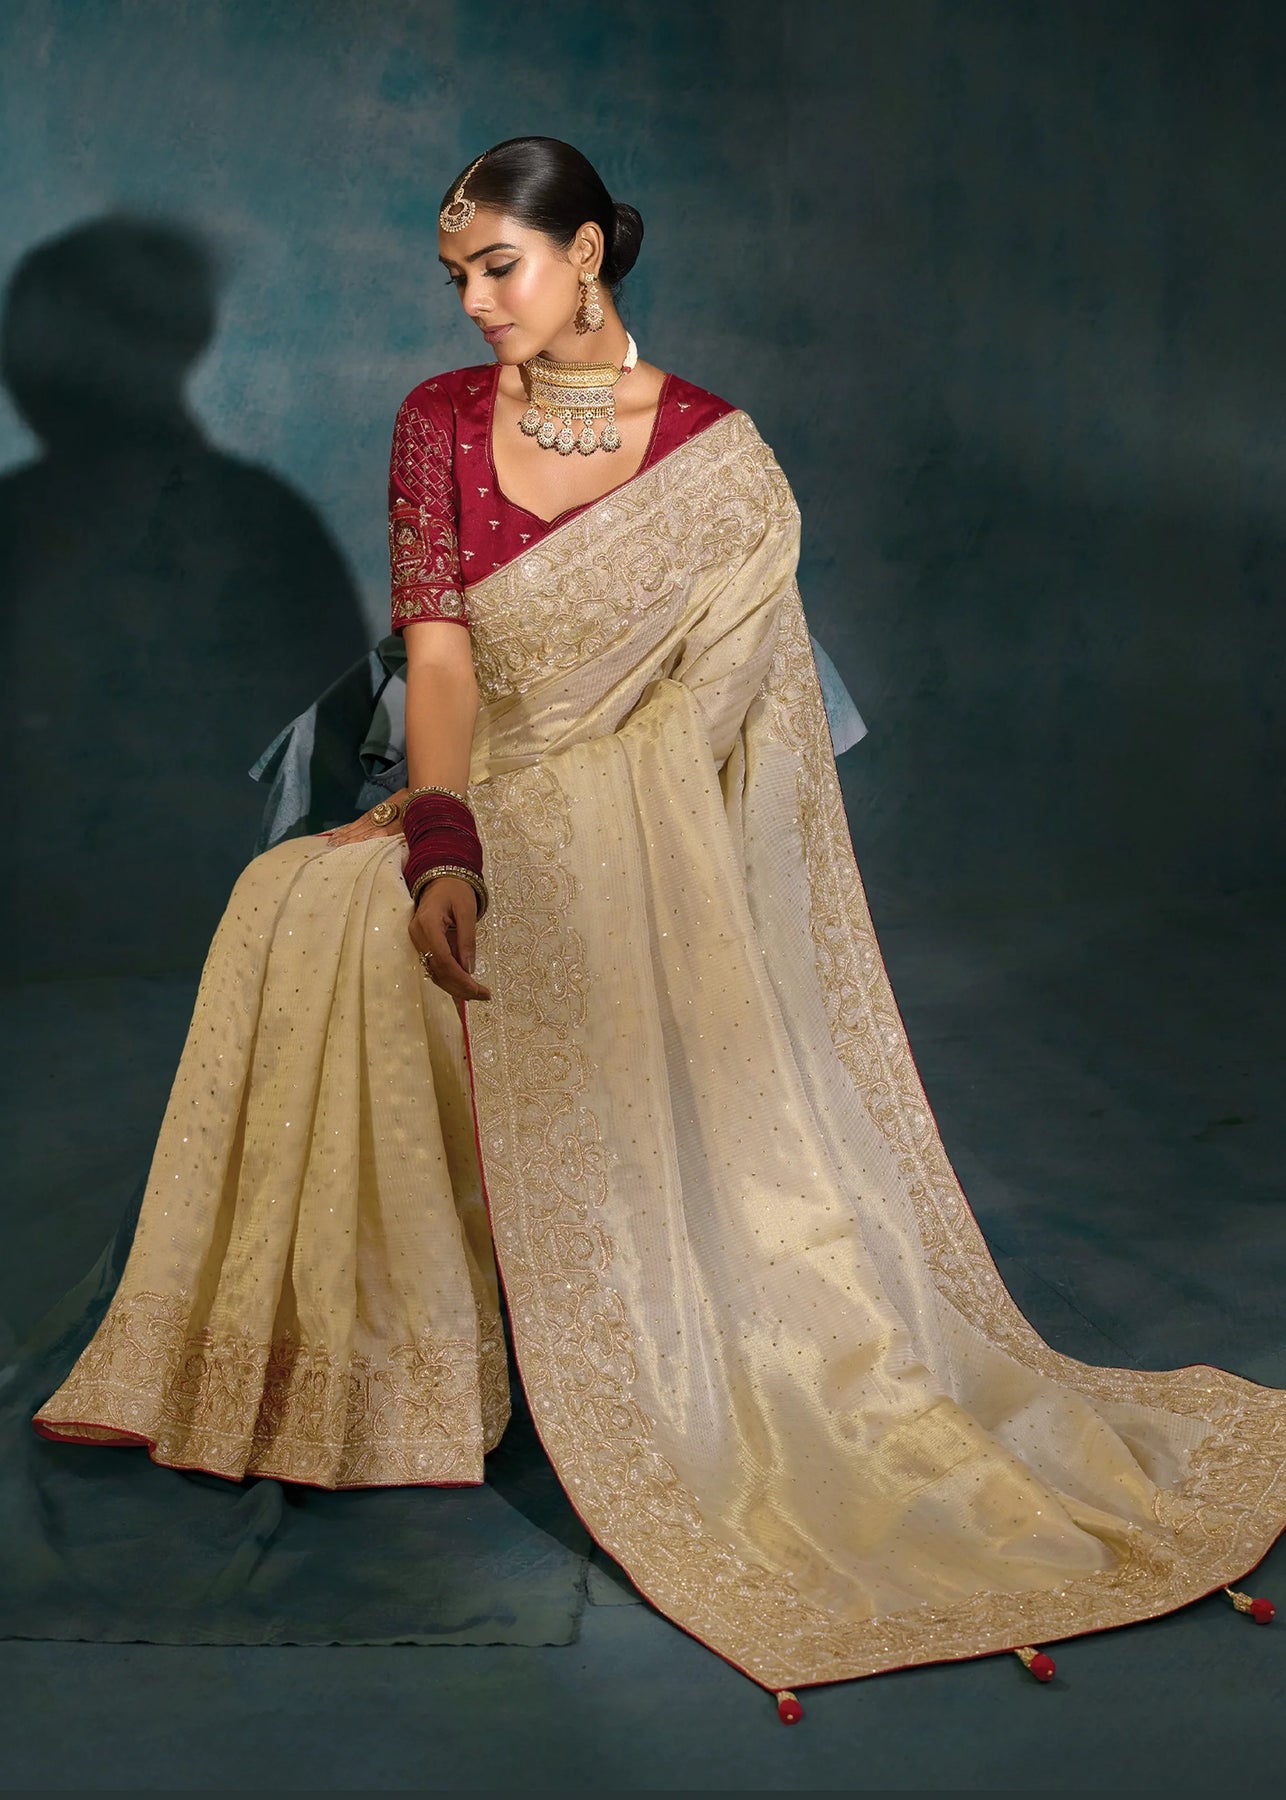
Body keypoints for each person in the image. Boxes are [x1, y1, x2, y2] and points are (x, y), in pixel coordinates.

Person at [30, 136, 1286, 1716]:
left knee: (504, 947)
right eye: (456, 276)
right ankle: (371, 1383)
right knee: (289, 901)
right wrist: (440, 837)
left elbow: (719, 733)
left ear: (585, 255)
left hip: (646, 837)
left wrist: (583, 838)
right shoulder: (436, 420)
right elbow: (440, 660)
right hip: (478, 794)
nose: (474, 301)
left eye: (499, 266)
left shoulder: (717, 460)